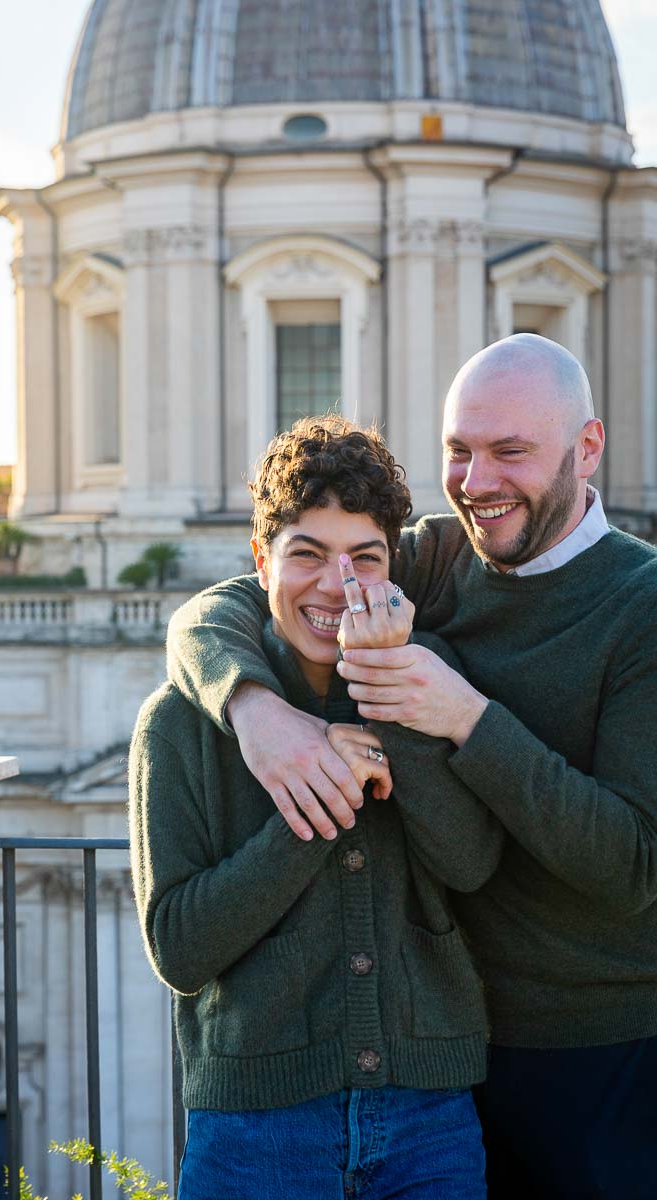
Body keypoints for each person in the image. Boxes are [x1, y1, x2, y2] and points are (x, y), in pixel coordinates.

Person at [165, 334, 657, 1200]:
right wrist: (254, 708)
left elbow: (632, 864)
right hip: (449, 1058)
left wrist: (463, 716)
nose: (477, 482)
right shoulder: (440, 554)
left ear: (587, 449)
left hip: (599, 1052)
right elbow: (235, 599)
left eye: (511, 452)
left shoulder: (643, 605)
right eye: (458, 452)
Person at [130, 416, 503, 1200]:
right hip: (254, 1134)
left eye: (363, 558)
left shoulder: (434, 684)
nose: (336, 585)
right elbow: (180, 946)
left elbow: (471, 865)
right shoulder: (181, 722)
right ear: (262, 559)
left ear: (392, 568)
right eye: (307, 554)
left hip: (427, 1123)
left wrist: (386, 699)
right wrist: (322, 798)